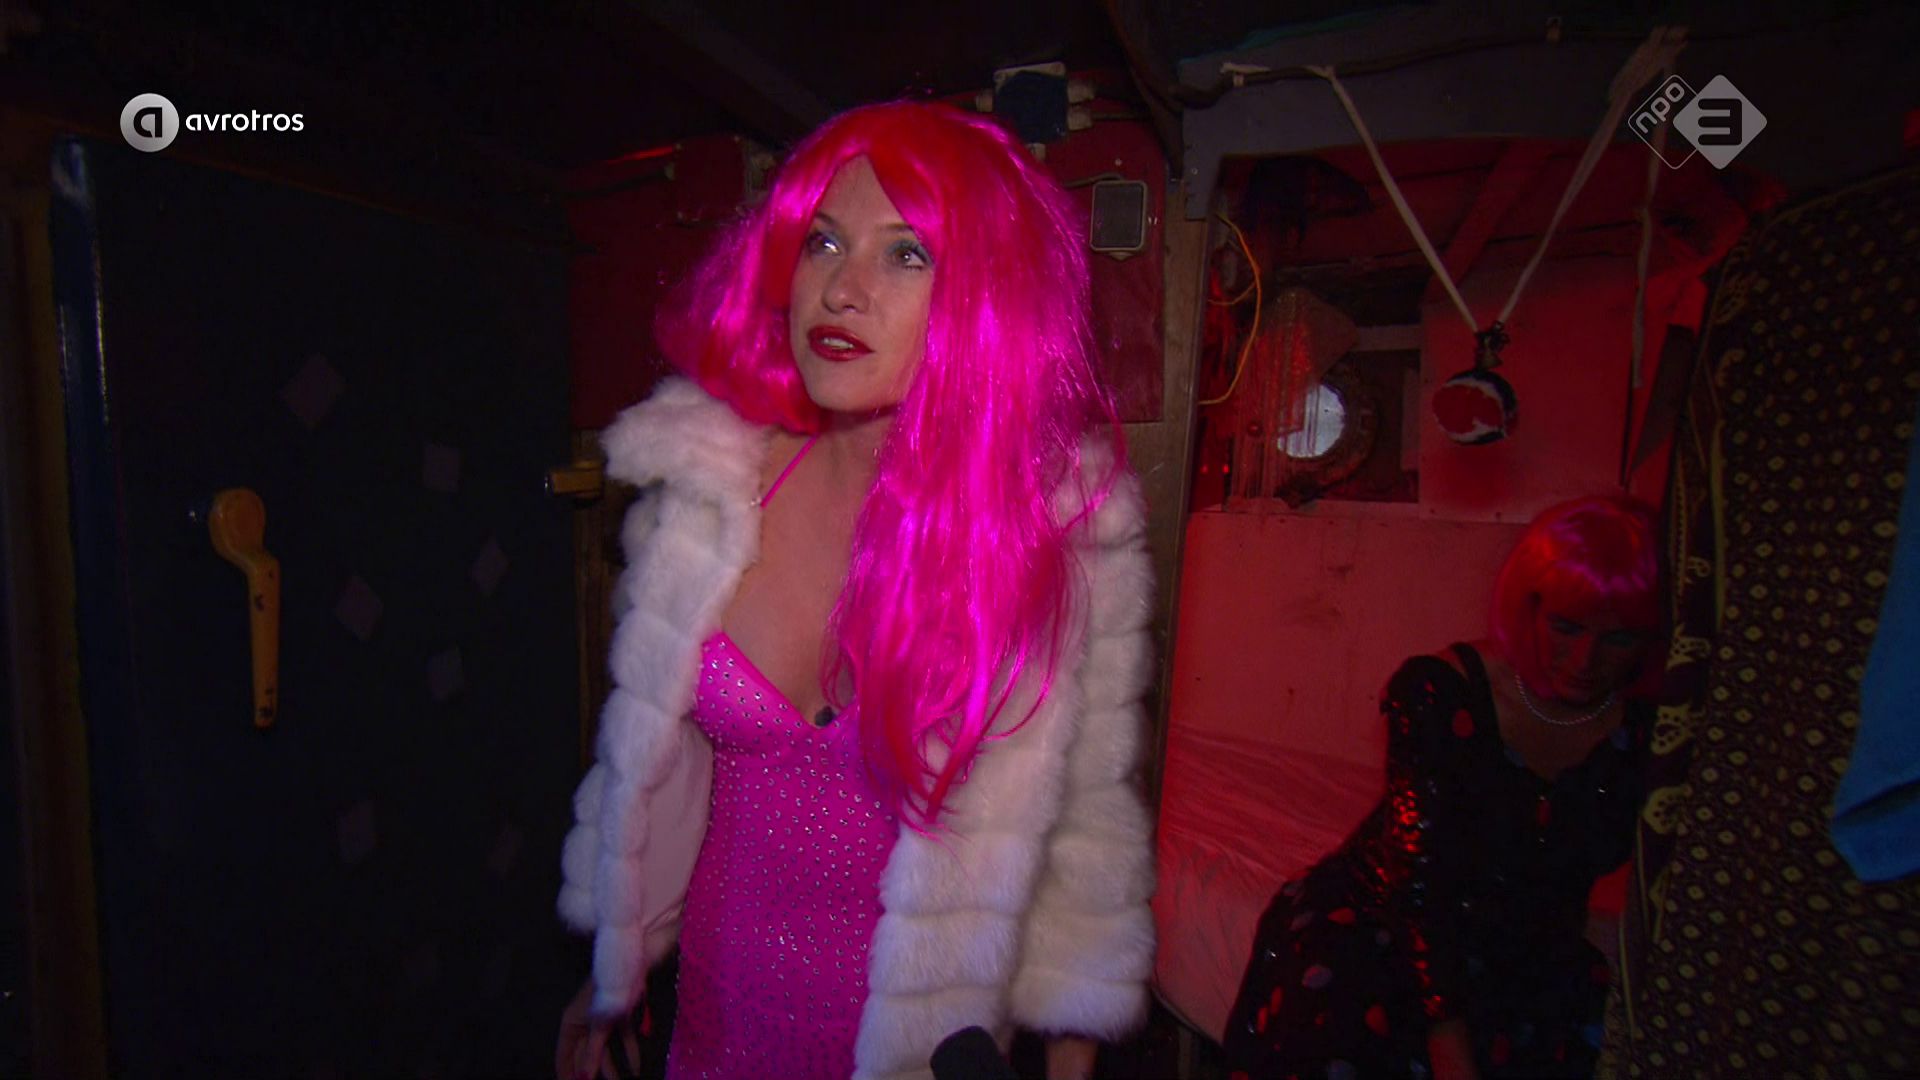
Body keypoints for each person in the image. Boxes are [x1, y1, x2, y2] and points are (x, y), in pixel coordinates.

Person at [553, 100, 1157, 1080]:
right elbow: (653, 776)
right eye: (823, 242)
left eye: (906, 255)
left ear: (986, 299)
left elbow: (1084, 840)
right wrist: (612, 974)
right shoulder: (704, 496)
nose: (842, 290)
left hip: (922, 1052)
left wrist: (1070, 1063)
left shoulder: (1063, 533)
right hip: (717, 1027)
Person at [1223, 495, 1661, 1080]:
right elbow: (1418, 879)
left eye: (1619, 639)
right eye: (1566, 626)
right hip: (1390, 927)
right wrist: (1448, 1040)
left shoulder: (1649, 731)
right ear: (1529, 609)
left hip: (1526, 951)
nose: (1586, 659)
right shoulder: (1442, 693)